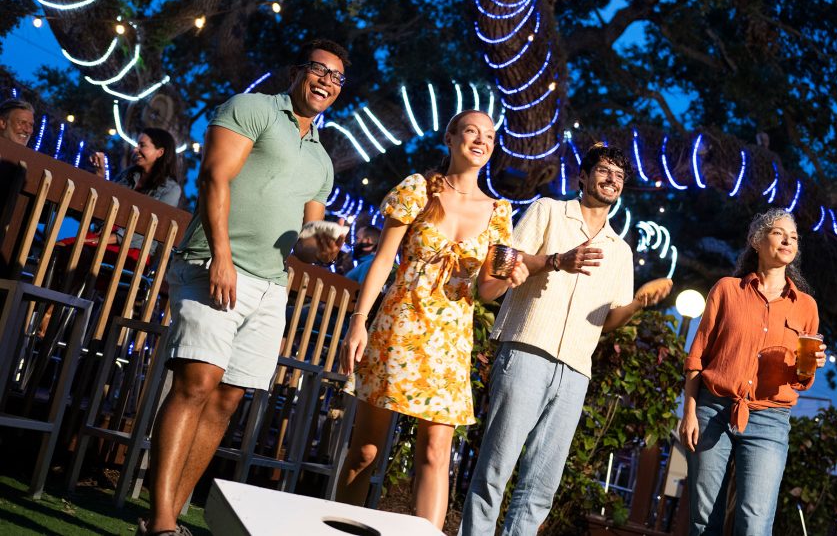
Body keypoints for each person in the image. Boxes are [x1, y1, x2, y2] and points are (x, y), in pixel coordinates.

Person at [139, 40, 349, 536]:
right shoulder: (252, 108)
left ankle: (170, 516)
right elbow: (215, 178)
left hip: (271, 286)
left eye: (337, 77)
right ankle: (162, 523)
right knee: (197, 384)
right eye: (319, 70)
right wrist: (222, 258)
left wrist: (322, 248)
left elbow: (305, 239)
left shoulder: (322, 160)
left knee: (227, 400)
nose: (327, 81)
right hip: (215, 263)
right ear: (296, 71)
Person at [459, 144, 673, 536]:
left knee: (541, 484)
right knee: (496, 466)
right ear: (583, 177)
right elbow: (506, 264)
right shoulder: (548, 211)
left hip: (575, 370)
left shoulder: (620, 251)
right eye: (604, 171)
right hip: (527, 349)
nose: (611, 180)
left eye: (619, 176)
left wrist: (639, 303)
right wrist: (558, 260)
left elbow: (608, 321)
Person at [335, 110, 528, 530]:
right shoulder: (418, 189)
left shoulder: (499, 212)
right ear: (451, 138)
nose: (481, 140)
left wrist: (509, 279)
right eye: (472, 131)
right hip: (399, 327)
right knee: (366, 450)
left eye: (489, 135)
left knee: (435, 452)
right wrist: (358, 321)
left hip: (450, 340)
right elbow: (383, 260)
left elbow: (486, 290)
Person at [680, 208, 827, 536]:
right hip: (713, 410)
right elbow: (697, 356)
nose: (788, 241)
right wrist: (689, 412)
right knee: (704, 520)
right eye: (778, 233)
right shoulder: (727, 290)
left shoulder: (806, 306)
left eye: (793, 237)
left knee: (755, 524)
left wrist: (810, 366)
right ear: (756, 241)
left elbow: (801, 380)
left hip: (770, 421)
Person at [88, 127, 183, 254]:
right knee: (64, 247)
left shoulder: (171, 189)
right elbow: (104, 206)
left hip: (133, 250)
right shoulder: (128, 175)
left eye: (142, 145)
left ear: (160, 152)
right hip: (104, 236)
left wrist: (105, 239)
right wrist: (100, 174)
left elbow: (152, 227)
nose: (135, 149)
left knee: (75, 250)